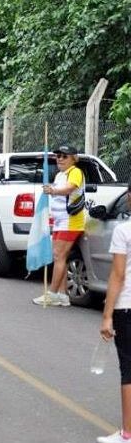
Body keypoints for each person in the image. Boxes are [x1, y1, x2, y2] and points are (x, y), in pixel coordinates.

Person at [33, 144, 86, 307]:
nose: (60, 159)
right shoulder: (60, 175)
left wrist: (53, 191)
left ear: (73, 159)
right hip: (59, 221)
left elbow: (70, 188)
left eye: (64, 156)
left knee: (59, 257)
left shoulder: (75, 172)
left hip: (70, 222)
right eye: (58, 156)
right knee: (59, 257)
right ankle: (63, 295)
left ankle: (53, 293)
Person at [98, 183, 131, 443]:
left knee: (128, 370)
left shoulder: (124, 230)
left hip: (127, 307)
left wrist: (107, 315)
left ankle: (127, 433)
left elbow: (118, 276)